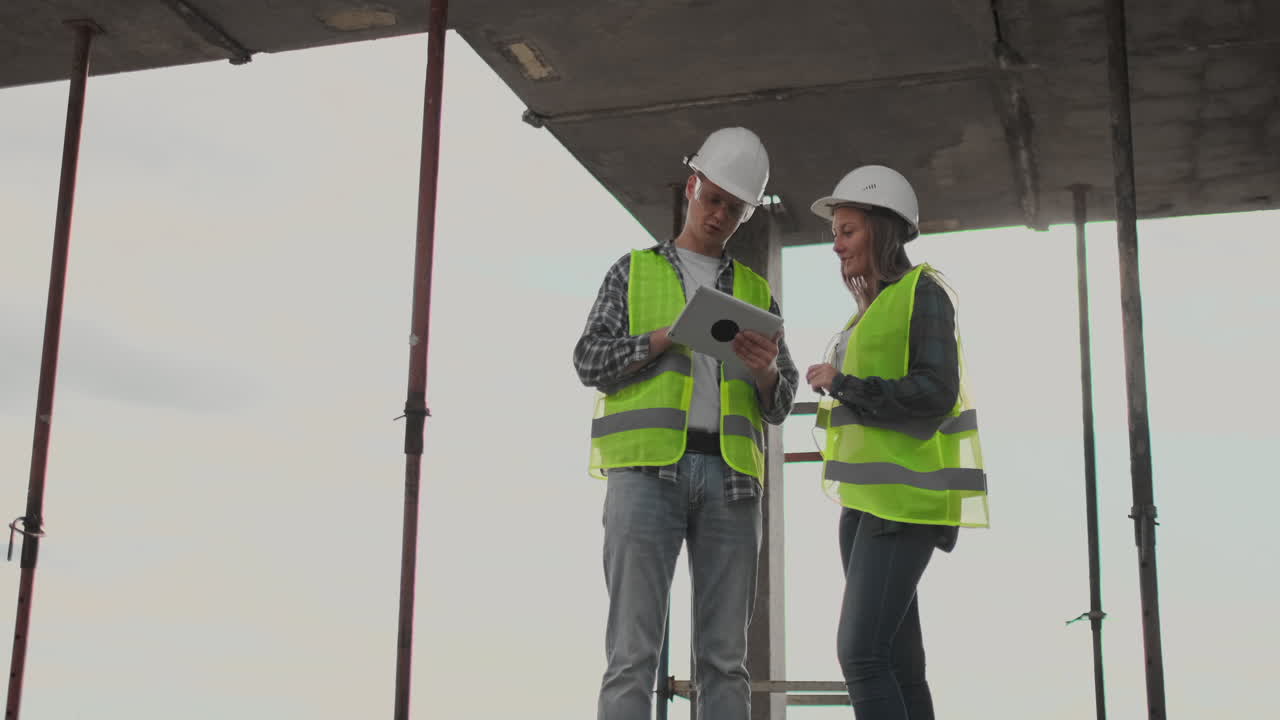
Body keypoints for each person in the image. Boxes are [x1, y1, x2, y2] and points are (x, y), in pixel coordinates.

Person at [573, 127, 799, 720]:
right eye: (714, 198)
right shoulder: (632, 271)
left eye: (735, 207)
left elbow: (780, 403)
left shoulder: (757, 295)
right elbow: (588, 361)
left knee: (725, 662)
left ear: (747, 214)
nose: (720, 213)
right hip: (646, 475)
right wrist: (661, 339)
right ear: (691, 186)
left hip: (731, 483)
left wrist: (768, 372)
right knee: (631, 655)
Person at [804, 165, 989, 719]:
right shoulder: (870, 312)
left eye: (847, 231)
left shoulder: (923, 294)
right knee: (899, 663)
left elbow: (935, 392)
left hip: (903, 504)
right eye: (835, 233)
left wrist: (844, 385)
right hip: (866, 506)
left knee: (860, 653)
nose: (836, 245)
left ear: (882, 231)